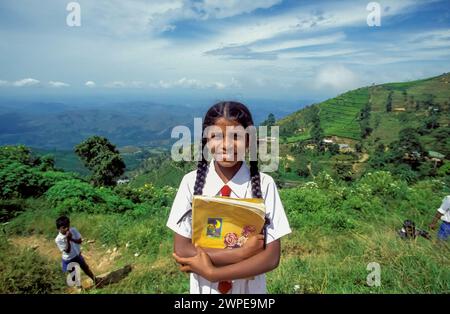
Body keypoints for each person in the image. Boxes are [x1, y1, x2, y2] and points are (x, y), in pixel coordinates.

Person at [166, 101, 291, 294]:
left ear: (249, 141)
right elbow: (182, 249)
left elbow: (271, 257)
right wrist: (242, 253)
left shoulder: (265, 186)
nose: (226, 145)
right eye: (216, 136)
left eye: (237, 137)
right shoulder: (190, 183)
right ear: (206, 140)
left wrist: (212, 272)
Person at [55, 215, 98, 286]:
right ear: (58, 229)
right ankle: (79, 287)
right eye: (64, 227)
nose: (67, 229)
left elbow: (80, 241)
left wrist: (71, 238)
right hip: (68, 259)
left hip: (77, 255)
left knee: (86, 268)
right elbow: (67, 251)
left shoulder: (73, 230)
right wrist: (68, 240)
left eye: (68, 226)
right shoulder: (58, 239)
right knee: (74, 275)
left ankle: (95, 280)